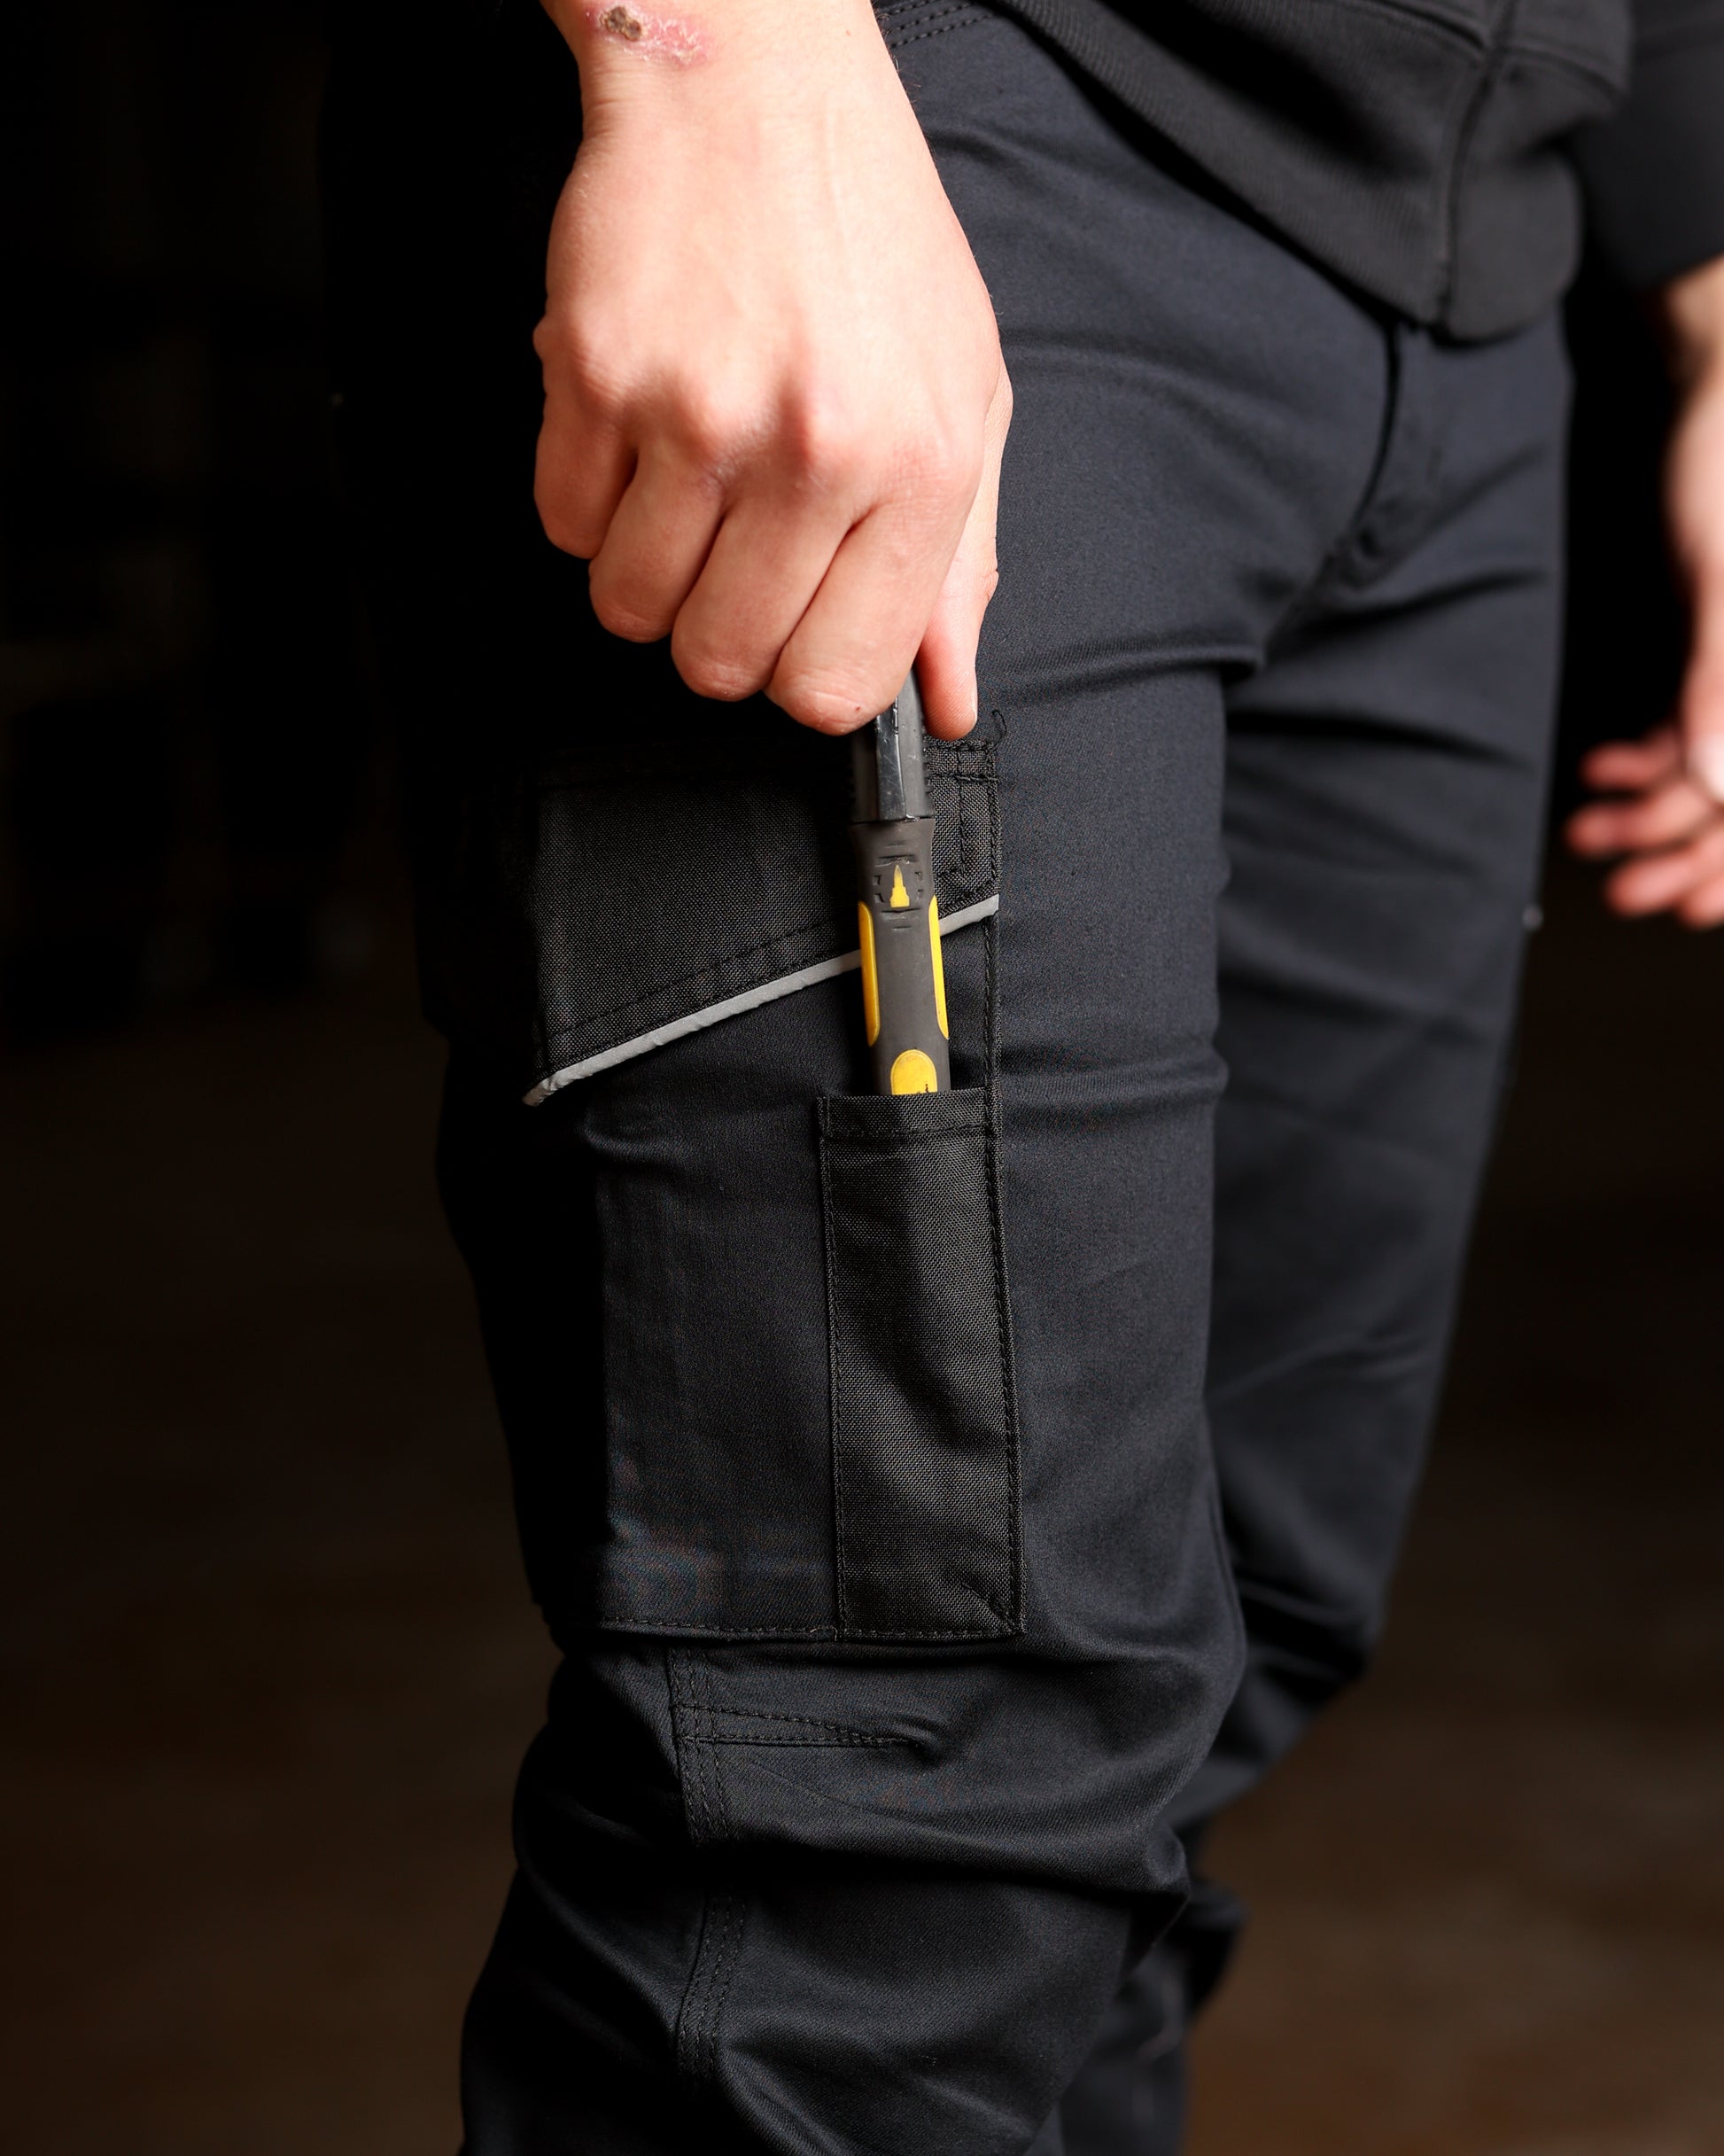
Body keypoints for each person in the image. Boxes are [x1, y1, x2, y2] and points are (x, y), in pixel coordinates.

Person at [321, 0, 1724, 2147]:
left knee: (1202, 1672)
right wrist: (714, 59)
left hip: (1464, 248)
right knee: (893, 1803)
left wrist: (1709, 267)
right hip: (919, 138)